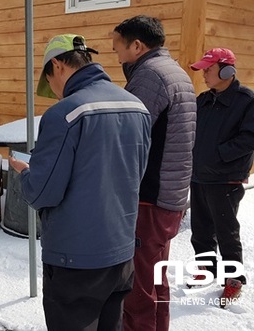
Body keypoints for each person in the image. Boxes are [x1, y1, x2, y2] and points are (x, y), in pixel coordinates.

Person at [9, 33, 151, 330]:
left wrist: (25, 173)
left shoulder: (66, 113)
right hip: (121, 253)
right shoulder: (137, 106)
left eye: (51, 81)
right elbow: (134, 173)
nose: (56, 92)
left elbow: (42, 192)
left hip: (76, 259)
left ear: (57, 65)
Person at [112, 15, 197, 330]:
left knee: (139, 289)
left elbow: (128, 134)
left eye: (118, 48)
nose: (117, 55)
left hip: (150, 196)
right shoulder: (175, 71)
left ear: (137, 45)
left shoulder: (150, 75)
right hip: (170, 196)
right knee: (156, 281)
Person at [188, 48, 254, 307]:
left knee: (226, 232)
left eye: (208, 69)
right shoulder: (203, 100)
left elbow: (249, 138)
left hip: (225, 178)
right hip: (199, 175)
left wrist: (218, 155)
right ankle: (206, 269)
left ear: (227, 70)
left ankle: (233, 280)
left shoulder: (246, 101)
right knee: (200, 229)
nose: (203, 74)